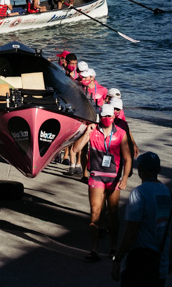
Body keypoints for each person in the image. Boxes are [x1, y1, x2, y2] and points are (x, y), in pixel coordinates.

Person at [111, 152, 172, 287]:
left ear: (140, 170)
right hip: (159, 265)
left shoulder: (139, 193)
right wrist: (171, 259)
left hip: (138, 264)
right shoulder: (168, 194)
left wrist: (118, 259)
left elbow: (131, 232)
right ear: (158, 170)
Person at [72, 104, 132, 262]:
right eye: (104, 116)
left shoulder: (121, 134)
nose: (107, 119)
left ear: (114, 117)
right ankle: (94, 249)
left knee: (113, 213)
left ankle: (113, 247)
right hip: (96, 176)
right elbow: (75, 149)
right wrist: (87, 134)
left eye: (109, 116)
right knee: (95, 214)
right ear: (100, 116)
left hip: (113, 177)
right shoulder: (93, 131)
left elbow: (128, 158)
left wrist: (125, 178)